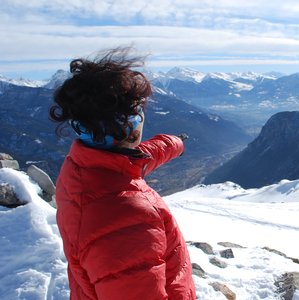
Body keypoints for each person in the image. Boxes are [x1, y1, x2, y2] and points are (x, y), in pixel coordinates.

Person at [50, 47, 195, 299]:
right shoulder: (129, 216)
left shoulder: (81, 167)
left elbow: (135, 161)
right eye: (139, 110)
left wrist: (174, 144)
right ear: (131, 127)